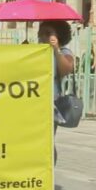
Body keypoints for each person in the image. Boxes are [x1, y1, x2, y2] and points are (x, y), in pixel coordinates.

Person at [38, 21, 75, 165]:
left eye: (48, 33)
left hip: (50, 103)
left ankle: (49, 170)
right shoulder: (36, 51)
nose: (43, 37)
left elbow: (66, 69)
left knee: (47, 141)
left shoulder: (64, 52)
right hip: (33, 101)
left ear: (58, 36)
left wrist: (56, 50)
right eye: (41, 33)